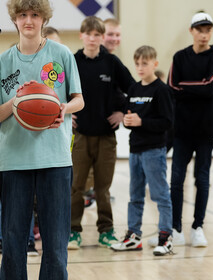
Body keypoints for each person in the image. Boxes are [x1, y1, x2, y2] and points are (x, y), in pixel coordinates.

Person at [0, 0, 84, 278]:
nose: (28, 21)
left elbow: (79, 100)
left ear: (43, 19)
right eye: (23, 15)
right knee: (13, 243)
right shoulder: (1, 63)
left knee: (56, 243)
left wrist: (62, 108)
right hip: (14, 162)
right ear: (14, 19)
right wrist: (18, 101)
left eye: (34, 15)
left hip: (56, 159)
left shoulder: (61, 54)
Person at [68, 16, 135, 249]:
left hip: (107, 136)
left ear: (101, 37)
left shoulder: (112, 62)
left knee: (103, 189)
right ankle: (72, 231)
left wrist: (122, 111)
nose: (93, 39)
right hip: (80, 136)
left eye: (98, 35)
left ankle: (106, 230)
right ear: (82, 36)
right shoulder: (73, 61)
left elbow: (134, 88)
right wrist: (66, 114)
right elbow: (56, 91)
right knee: (76, 187)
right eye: (89, 34)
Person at [158, 11, 213, 248]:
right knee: (176, 179)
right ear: (191, 31)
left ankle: (198, 226)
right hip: (181, 130)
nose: (204, 34)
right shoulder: (180, 57)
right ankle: (176, 227)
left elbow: (210, 87)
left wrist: (186, 88)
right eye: (199, 29)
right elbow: (172, 87)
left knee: (202, 179)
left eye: (208, 30)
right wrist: (194, 88)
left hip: (207, 130)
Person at [110, 45, 174, 256]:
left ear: (154, 64)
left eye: (144, 63)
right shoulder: (135, 89)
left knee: (160, 195)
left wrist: (141, 122)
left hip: (154, 151)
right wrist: (129, 122)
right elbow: (131, 119)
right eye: (137, 63)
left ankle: (165, 237)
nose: (140, 67)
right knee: (134, 195)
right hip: (135, 150)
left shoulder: (161, 90)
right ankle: (134, 236)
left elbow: (166, 122)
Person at [82, 17, 121, 208]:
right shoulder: (78, 60)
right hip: (82, 131)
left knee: (102, 182)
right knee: (77, 180)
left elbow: (125, 90)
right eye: (111, 34)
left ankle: (105, 224)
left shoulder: (112, 62)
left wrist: (122, 111)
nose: (114, 38)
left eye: (117, 34)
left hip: (104, 132)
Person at [0, 123, 39, 256]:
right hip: (5, 164)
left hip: (26, 163)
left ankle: (29, 241)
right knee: (2, 205)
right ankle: (1, 240)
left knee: (27, 204)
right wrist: (0, 160)